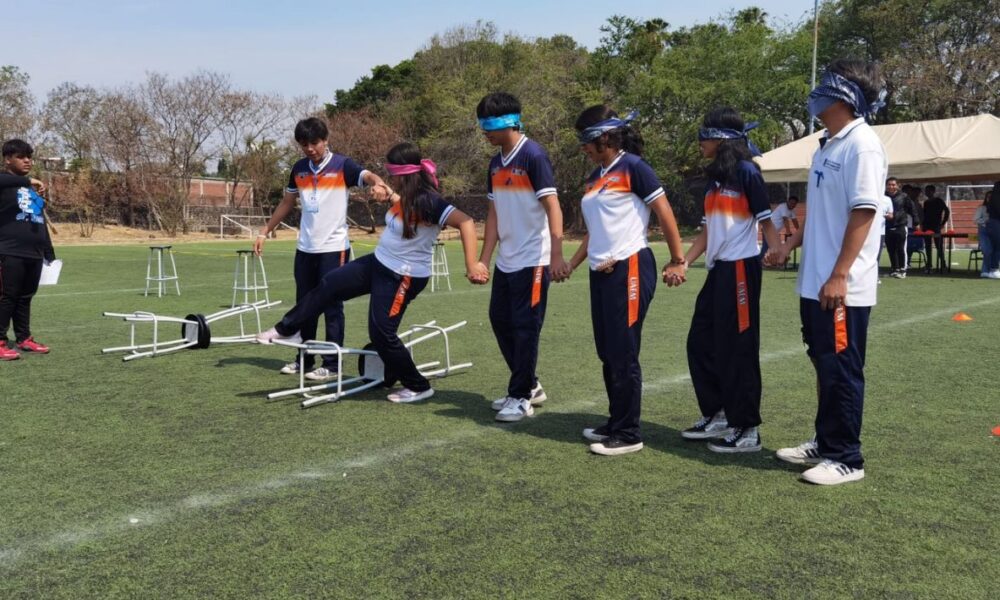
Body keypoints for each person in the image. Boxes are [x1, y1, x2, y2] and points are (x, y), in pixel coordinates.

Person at [257, 142, 489, 403]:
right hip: (379, 263)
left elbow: (466, 222)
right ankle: (289, 328)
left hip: (403, 275)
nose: (388, 177)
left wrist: (473, 264)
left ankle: (418, 386)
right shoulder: (406, 197)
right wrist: (387, 194)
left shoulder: (429, 200)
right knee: (329, 283)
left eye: (391, 172)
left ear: (404, 173)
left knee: (381, 333)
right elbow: (401, 204)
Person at [769, 58, 888, 485]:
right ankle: (825, 440)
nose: (815, 92)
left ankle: (847, 458)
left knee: (841, 368)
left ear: (844, 94)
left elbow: (864, 212)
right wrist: (787, 245)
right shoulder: (828, 143)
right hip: (815, 281)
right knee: (823, 365)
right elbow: (819, 212)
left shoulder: (863, 145)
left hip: (842, 286)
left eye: (824, 85)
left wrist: (840, 274)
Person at [567, 106, 687, 456]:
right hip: (599, 272)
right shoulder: (595, 176)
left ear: (605, 136)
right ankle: (615, 420)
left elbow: (664, 211)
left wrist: (678, 260)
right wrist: (575, 262)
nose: (583, 147)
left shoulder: (634, 167)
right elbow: (595, 231)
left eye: (586, 140)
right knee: (607, 349)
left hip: (631, 267)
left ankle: (629, 433)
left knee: (623, 350)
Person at [254, 117, 391, 381]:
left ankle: (332, 364)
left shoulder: (342, 165)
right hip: (305, 247)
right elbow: (287, 202)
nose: (310, 149)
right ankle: (304, 359)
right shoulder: (299, 169)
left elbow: (367, 175)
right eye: (304, 144)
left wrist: (378, 183)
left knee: (331, 305)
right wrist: (264, 230)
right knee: (305, 303)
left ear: (325, 140)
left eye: (314, 143)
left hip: (334, 247)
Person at [677, 107, 781, 453]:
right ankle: (718, 413)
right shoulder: (715, 180)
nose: (700, 143)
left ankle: (747, 428)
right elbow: (709, 229)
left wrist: (777, 249)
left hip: (740, 269)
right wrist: (685, 262)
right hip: (718, 270)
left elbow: (766, 220)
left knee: (739, 348)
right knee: (701, 342)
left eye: (704, 137)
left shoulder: (747, 172)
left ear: (721, 140)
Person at [474, 92, 571, 422]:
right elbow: (493, 214)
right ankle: (529, 384)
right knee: (500, 320)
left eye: (488, 125)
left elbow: (552, 205)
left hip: (534, 259)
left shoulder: (533, 155)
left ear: (508, 122)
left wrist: (556, 254)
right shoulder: (495, 162)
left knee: (526, 327)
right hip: (507, 260)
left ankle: (520, 395)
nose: (484, 131)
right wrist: (483, 260)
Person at [0, 139, 55, 361]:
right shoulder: (7, 184)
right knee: (6, 297)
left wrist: (48, 250)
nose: (27, 160)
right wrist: (25, 180)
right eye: (21, 157)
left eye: (29, 157)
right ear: (7, 160)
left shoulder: (30, 189)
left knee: (25, 297)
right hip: (9, 251)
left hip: (33, 252)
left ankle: (24, 338)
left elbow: (38, 218)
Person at [883, 177, 916, 278]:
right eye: (889, 184)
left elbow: (912, 209)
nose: (891, 187)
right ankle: (895, 269)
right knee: (891, 249)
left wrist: (917, 222)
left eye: (893, 184)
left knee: (901, 248)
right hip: (887, 226)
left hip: (900, 225)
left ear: (898, 186)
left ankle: (903, 270)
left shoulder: (904, 196)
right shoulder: (883, 196)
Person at [921, 184, 950, 272]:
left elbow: (947, 211)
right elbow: (924, 215)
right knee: (928, 245)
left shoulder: (939, 201)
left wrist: (943, 223)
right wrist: (922, 224)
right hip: (926, 226)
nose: (927, 192)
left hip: (936, 226)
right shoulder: (926, 202)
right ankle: (929, 263)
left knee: (939, 245)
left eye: (929, 191)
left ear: (933, 191)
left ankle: (943, 263)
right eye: (926, 191)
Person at [974, 191, 994, 278]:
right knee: (987, 250)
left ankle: (993, 270)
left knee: (995, 251)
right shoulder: (981, 208)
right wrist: (985, 221)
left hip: (996, 230)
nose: (989, 198)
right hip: (984, 230)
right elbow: (975, 220)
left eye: (991, 197)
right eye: (988, 197)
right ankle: (985, 271)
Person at [876, 189, 893, 279]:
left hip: (880, 232)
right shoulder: (870, 196)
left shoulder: (887, 199)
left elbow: (891, 215)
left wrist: (887, 216)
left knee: (877, 254)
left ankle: (875, 276)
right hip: (867, 232)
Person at [984, 182, 1000, 279]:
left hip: (993, 222)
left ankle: (991, 269)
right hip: (996, 222)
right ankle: (994, 269)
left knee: (995, 246)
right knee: (998, 246)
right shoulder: (997, 197)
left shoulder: (994, 196)